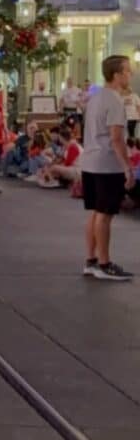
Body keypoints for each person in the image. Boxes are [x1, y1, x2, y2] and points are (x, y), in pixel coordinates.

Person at [81, 55, 134, 281]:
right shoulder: (114, 101)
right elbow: (116, 138)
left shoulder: (95, 98)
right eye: (127, 71)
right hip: (107, 165)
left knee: (96, 212)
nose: (130, 75)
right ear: (117, 75)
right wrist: (128, 168)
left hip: (90, 162)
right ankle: (104, 264)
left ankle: (91, 261)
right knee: (105, 215)